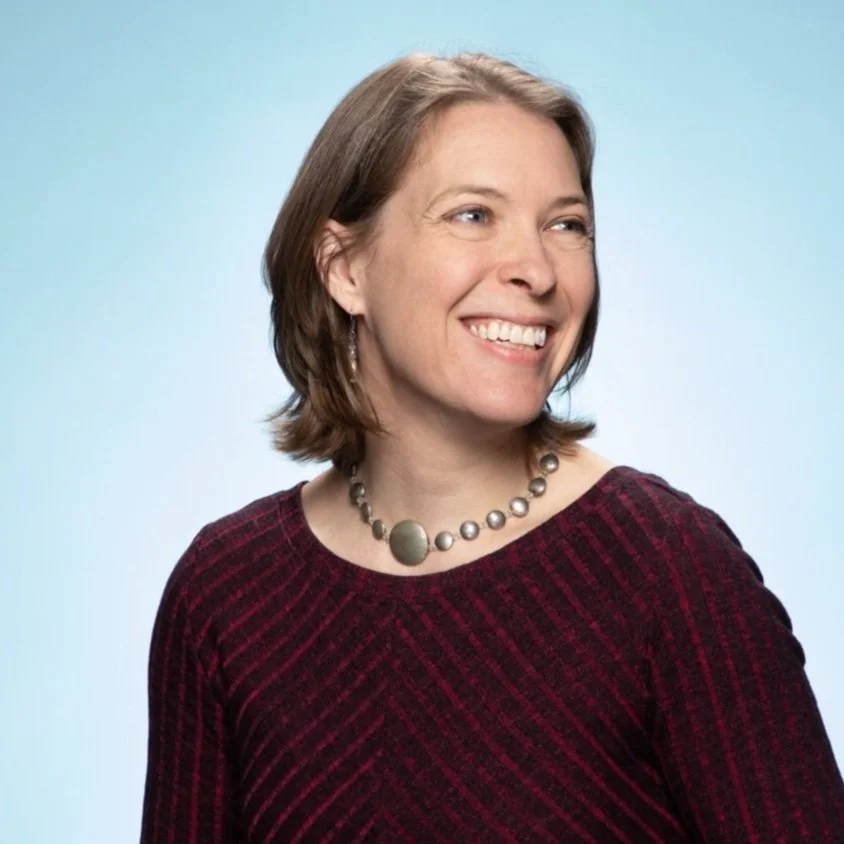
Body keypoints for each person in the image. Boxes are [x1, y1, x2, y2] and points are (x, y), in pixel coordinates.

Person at [140, 52, 844, 843]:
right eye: (473, 215)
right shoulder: (224, 594)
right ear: (344, 268)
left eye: (566, 225)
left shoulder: (671, 569)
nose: (536, 270)